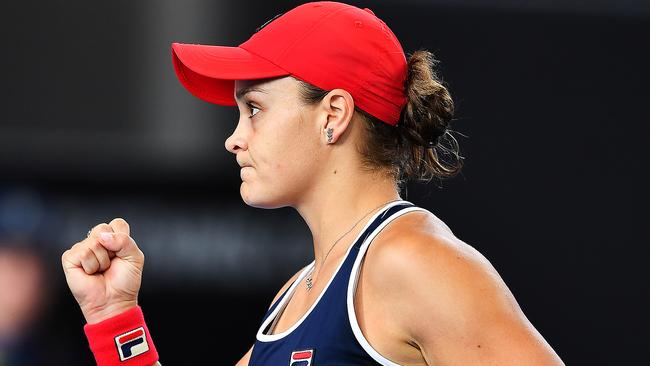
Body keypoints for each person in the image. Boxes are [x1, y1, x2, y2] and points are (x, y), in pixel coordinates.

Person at [61, 2, 565, 365]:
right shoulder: (297, 293)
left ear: (334, 114)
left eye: (254, 108)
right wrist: (115, 314)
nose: (233, 139)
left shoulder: (412, 262)